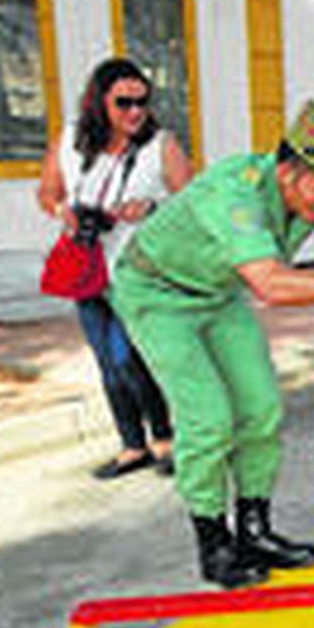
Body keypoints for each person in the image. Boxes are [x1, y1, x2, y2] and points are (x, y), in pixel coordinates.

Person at [111, 100, 314, 589]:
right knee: (209, 419)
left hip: (218, 293)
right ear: (287, 173)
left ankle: (254, 530)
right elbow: (274, 288)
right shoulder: (237, 194)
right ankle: (214, 543)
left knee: (261, 409)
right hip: (156, 293)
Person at [38, 58, 192, 480]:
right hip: (87, 267)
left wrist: (153, 207)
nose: (135, 112)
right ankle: (131, 445)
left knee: (129, 358)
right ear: (98, 101)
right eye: (124, 102)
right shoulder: (70, 141)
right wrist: (63, 210)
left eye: (143, 102)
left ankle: (165, 436)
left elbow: (195, 203)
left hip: (137, 272)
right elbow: (47, 193)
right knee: (107, 362)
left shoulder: (161, 145)